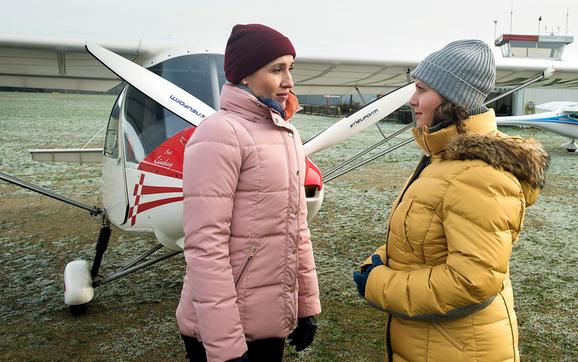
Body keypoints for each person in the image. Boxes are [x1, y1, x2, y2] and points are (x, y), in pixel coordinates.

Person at [353, 40, 550, 361]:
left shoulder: (479, 173)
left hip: (461, 348)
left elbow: (471, 280)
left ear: (452, 99)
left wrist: (379, 284)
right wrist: (380, 257)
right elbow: (424, 241)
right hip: (435, 341)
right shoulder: (443, 157)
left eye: (421, 89)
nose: (412, 100)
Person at [176, 24, 321, 362]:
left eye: (290, 69)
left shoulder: (286, 134)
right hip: (223, 329)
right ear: (244, 75)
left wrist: (304, 307)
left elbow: (296, 229)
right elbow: (205, 245)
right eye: (277, 69)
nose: (289, 81)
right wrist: (225, 346)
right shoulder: (219, 133)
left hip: (269, 322)